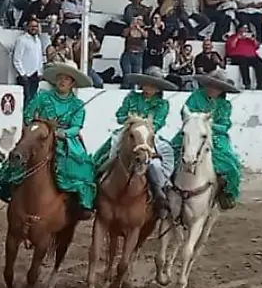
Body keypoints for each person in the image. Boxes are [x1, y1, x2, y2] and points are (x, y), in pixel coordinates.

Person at [0, 62, 96, 220]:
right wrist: (41, 125)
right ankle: (4, 186)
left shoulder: (77, 104)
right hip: (39, 136)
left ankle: (80, 203)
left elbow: (76, 127)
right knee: (21, 154)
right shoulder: (42, 97)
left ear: (72, 83)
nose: (62, 81)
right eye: (60, 78)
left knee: (78, 167)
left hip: (64, 140)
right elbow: (28, 115)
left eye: (66, 79)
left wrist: (60, 133)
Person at [92, 67, 176, 214]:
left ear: (158, 89)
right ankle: (95, 186)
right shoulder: (131, 97)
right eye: (146, 85)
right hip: (128, 132)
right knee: (108, 152)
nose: (148, 88)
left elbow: (157, 123)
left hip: (149, 136)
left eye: (153, 86)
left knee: (158, 162)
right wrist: (130, 121)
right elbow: (120, 116)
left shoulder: (162, 104)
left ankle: (159, 192)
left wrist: (140, 123)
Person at [172, 69, 242, 210]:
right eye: (210, 85)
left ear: (222, 90)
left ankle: (227, 194)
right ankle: (165, 187)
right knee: (170, 152)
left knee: (231, 164)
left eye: (217, 87)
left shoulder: (225, 105)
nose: (212, 89)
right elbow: (185, 113)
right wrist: (197, 122)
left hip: (216, 136)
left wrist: (209, 126)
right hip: (192, 131)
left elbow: (225, 125)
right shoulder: (195, 97)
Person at [12, 18, 44, 106]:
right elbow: (17, 59)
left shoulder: (38, 40)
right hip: (25, 76)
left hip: (35, 75)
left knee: (33, 99)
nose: (34, 28)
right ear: (27, 27)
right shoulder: (22, 40)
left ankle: (30, 114)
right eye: (32, 26)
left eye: (36, 26)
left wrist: (40, 72)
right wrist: (22, 74)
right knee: (25, 99)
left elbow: (39, 58)